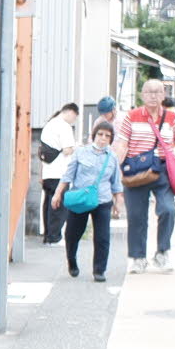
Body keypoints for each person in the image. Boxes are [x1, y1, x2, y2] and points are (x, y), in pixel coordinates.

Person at [119, 77, 175, 272]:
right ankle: (138, 257)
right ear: (142, 95)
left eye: (157, 91)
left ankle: (162, 252)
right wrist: (115, 170)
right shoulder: (131, 116)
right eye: (149, 92)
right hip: (135, 172)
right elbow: (122, 144)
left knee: (168, 209)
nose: (153, 95)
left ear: (163, 95)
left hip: (163, 170)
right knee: (136, 216)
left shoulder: (172, 118)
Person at [58, 120, 123, 280]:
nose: (103, 138)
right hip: (80, 199)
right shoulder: (81, 152)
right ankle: (71, 261)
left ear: (111, 139)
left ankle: (99, 270)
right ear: (94, 135)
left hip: (102, 201)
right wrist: (58, 193)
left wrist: (118, 203)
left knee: (102, 237)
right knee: (73, 234)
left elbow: (116, 183)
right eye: (100, 134)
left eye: (107, 136)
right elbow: (68, 175)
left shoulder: (112, 157)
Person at [39, 103, 79, 244]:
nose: (73, 120)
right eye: (74, 117)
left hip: (47, 172)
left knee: (48, 204)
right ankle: (54, 238)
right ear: (70, 112)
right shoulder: (63, 126)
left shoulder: (49, 124)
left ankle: (48, 236)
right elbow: (67, 149)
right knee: (58, 205)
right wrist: (77, 147)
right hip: (59, 171)